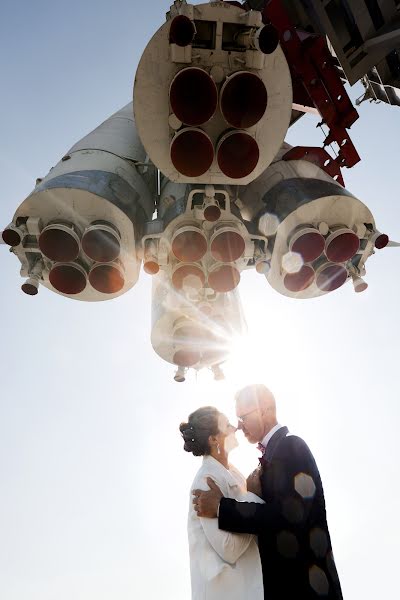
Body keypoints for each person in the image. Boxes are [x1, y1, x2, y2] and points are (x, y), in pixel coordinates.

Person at [193, 385, 343, 600]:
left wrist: (221, 507)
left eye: (243, 417)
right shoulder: (270, 458)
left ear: (265, 410)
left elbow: (289, 518)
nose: (239, 425)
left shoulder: (291, 446)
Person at [180, 406, 265, 600]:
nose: (234, 428)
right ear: (214, 439)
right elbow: (229, 549)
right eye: (227, 425)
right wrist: (252, 496)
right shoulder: (206, 480)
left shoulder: (233, 473)